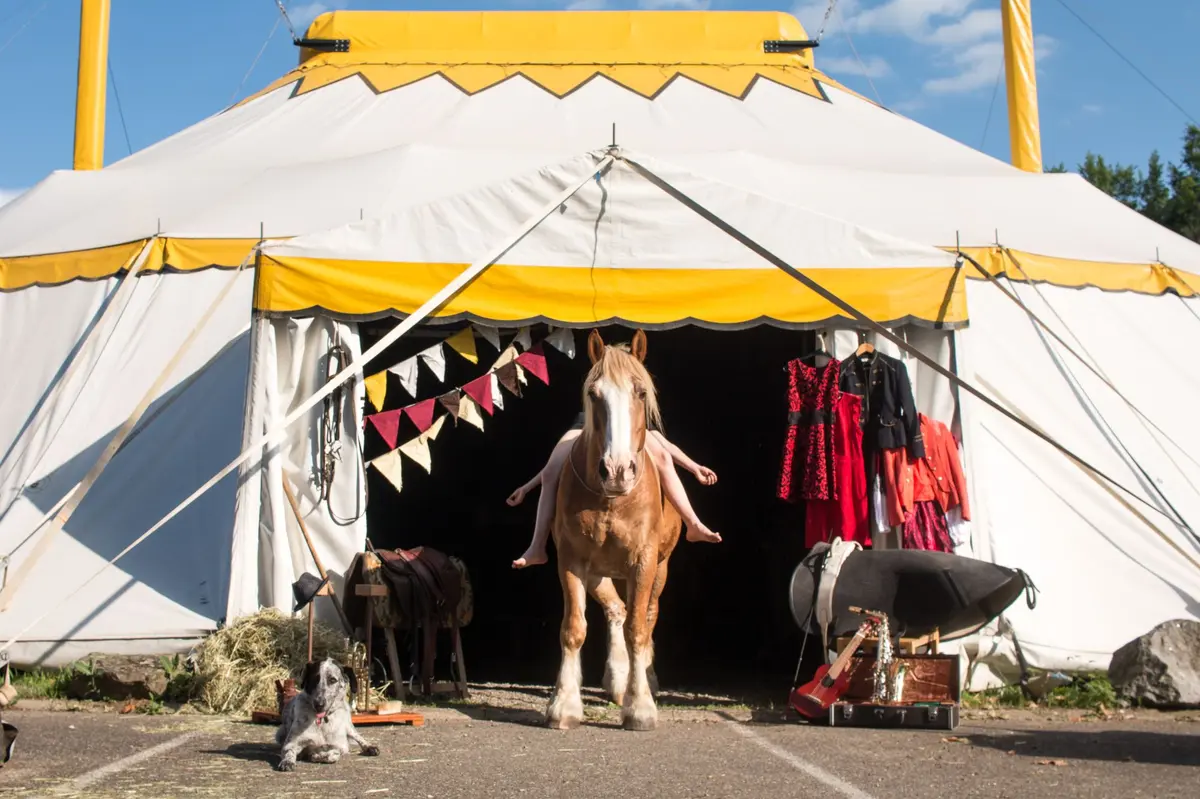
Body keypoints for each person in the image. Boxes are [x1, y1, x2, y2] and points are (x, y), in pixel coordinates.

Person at [507, 413, 721, 568]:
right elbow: (548, 469)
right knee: (549, 473)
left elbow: (666, 446)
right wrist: (527, 488)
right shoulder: (600, 379)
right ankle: (537, 547)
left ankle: (693, 524)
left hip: (630, 420)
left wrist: (695, 468)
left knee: (663, 458)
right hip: (589, 422)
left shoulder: (639, 397)